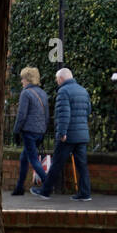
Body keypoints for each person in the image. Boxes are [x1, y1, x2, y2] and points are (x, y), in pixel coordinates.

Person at [30, 67, 92, 201]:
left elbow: (64, 115)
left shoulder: (64, 91)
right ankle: (85, 193)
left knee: (57, 164)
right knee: (82, 165)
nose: (57, 82)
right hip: (81, 135)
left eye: (57, 79)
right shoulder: (83, 90)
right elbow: (88, 111)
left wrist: (62, 132)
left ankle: (45, 191)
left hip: (68, 136)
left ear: (61, 79)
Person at [10, 67, 49, 195]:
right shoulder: (42, 93)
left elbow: (21, 115)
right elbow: (47, 115)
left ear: (27, 79)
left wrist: (16, 131)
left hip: (29, 132)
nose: (21, 81)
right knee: (23, 158)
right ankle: (19, 187)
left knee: (33, 159)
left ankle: (48, 183)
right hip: (40, 131)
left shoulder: (26, 93)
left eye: (22, 78)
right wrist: (44, 130)